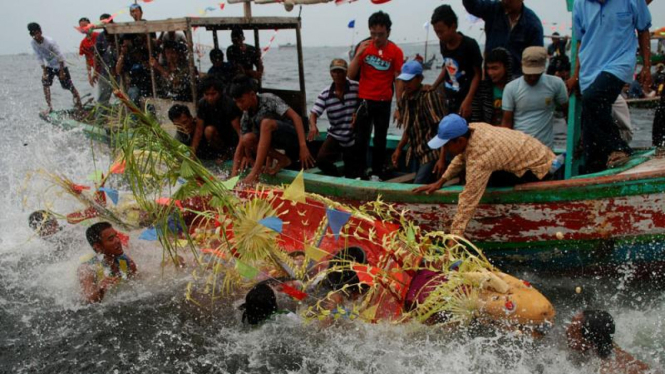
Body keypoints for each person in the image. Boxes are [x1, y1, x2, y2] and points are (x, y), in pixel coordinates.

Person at [413, 114, 561, 237]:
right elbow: (461, 156)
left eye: (446, 145)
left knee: (481, 183)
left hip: (540, 169)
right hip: (543, 155)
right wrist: (441, 181)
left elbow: (468, 200)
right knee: (475, 178)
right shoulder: (473, 128)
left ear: (460, 140)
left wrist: (454, 238)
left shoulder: (480, 158)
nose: (444, 149)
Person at [568, 0, 652, 173]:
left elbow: (643, 30)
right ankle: (595, 178)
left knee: (594, 98)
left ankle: (619, 147)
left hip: (619, 64)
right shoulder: (579, 4)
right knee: (591, 142)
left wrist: (646, 66)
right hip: (589, 69)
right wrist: (576, 74)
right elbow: (580, 40)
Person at [347, 11, 404, 180]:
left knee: (380, 139)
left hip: (383, 101)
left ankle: (377, 173)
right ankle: (359, 173)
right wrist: (358, 55)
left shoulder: (395, 51)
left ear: (388, 32)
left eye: (381, 34)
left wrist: (399, 107)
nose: (376, 38)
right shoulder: (363, 46)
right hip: (364, 100)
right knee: (361, 139)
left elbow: (398, 80)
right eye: (373, 34)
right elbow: (350, 75)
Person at [230, 76, 315, 184]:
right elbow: (240, 145)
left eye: (241, 101)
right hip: (274, 144)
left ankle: (255, 172)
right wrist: (233, 176)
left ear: (252, 94)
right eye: (236, 102)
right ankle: (282, 159)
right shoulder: (246, 115)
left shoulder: (269, 99)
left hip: (291, 137)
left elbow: (296, 118)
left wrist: (303, 146)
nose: (239, 105)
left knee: (266, 123)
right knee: (246, 139)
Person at [502, 47, 568, 149]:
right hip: (519, 148)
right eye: (529, 74)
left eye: (536, 74)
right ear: (522, 65)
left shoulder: (556, 84)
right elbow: (507, 122)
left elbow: (567, 112)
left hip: (545, 149)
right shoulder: (511, 88)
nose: (532, 77)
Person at [393, 61, 447, 184]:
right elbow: (409, 127)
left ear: (420, 78)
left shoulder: (429, 96)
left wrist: (442, 159)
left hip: (431, 152)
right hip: (416, 152)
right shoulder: (405, 98)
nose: (406, 84)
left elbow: (443, 129)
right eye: (404, 81)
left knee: (418, 185)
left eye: (409, 81)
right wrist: (399, 148)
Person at [428, 5, 482, 119]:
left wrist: (468, 100)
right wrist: (434, 86)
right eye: (436, 32)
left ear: (453, 26)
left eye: (441, 32)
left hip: (466, 98)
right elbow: (447, 66)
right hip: (450, 98)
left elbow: (478, 74)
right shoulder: (443, 43)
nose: (439, 36)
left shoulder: (469, 45)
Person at [309, 59, 360, 178]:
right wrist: (313, 126)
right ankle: (335, 177)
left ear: (346, 72)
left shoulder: (356, 87)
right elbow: (314, 113)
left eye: (341, 72)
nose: (337, 75)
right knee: (321, 160)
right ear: (331, 73)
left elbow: (367, 103)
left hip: (353, 136)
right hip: (335, 134)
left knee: (352, 172)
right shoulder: (325, 94)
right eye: (335, 72)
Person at [462, 0, 543, 70]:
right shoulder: (493, 9)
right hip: (491, 76)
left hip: (517, 80)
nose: (506, 2)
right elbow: (472, 5)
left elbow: (536, 57)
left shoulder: (533, 24)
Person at [567, 310, 652, 374]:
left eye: (573, 329)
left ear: (590, 340)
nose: (567, 331)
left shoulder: (608, 370)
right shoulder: (608, 346)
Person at [28, 22, 82, 113]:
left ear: (40, 32)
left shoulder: (49, 42)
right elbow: (39, 57)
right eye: (34, 34)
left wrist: (61, 71)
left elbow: (60, 56)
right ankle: (49, 107)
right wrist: (44, 72)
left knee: (67, 85)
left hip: (61, 65)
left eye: (37, 33)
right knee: (45, 83)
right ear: (31, 35)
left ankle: (79, 104)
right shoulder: (33, 43)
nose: (36, 36)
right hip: (50, 65)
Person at [78, 222, 137, 303]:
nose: (117, 241)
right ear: (98, 247)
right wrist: (100, 289)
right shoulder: (87, 269)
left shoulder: (127, 262)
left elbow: (137, 287)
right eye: (111, 239)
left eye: (116, 236)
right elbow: (87, 300)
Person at [193, 77, 242, 161]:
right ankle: (220, 153)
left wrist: (243, 154)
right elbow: (198, 130)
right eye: (207, 94)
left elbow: (239, 131)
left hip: (231, 137)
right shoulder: (202, 104)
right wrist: (192, 153)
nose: (210, 98)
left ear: (220, 92)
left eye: (213, 94)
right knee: (208, 131)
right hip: (216, 137)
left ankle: (228, 153)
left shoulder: (228, 104)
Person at [471, 47, 514, 126]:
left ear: (506, 67)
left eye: (495, 68)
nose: (490, 73)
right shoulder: (482, 89)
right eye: (488, 68)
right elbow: (476, 117)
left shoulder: (515, 88)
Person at [116, 34, 152, 106]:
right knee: (133, 94)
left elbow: (148, 66)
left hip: (147, 83)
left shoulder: (142, 51)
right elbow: (118, 71)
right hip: (134, 85)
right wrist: (122, 54)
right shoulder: (125, 56)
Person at [94, 13, 119, 107]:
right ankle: (100, 120)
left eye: (106, 22)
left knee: (123, 97)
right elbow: (97, 54)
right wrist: (95, 71)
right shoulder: (100, 36)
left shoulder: (119, 33)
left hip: (119, 72)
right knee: (102, 99)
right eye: (102, 23)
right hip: (106, 72)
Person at [78, 17, 99, 88]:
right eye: (82, 27)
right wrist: (89, 76)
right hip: (96, 71)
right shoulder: (83, 43)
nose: (84, 28)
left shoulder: (98, 36)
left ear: (90, 25)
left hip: (105, 67)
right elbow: (87, 59)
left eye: (86, 26)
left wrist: (95, 72)